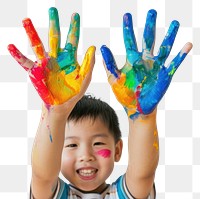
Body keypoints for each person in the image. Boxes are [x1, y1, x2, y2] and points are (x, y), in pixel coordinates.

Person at [8, 7, 192, 199]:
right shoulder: (52, 194)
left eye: (97, 143)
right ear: (56, 152)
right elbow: (42, 175)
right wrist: (56, 114)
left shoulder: (122, 194)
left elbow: (143, 173)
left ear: (117, 150)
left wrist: (142, 119)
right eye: (71, 145)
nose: (86, 155)